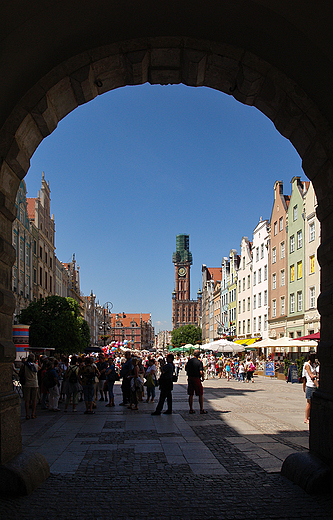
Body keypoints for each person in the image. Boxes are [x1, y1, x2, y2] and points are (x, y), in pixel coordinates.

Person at [185, 349, 207, 414]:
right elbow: (201, 372)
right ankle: (201, 409)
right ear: (199, 355)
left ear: (193, 354)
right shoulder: (199, 362)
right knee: (200, 394)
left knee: (191, 394)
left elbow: (186, 369)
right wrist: (203, 378)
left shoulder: (189, 361)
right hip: (196, 378)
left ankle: (191, 409)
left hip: (190, 378)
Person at [20, 353, 39, 419]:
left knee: (27, 400)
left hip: (27, 384)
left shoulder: (24, 365)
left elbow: (21, 373)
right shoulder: (36, 366)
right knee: (34, 400)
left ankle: (27, 414)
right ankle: (33, 414)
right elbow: (39, 369)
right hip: (34, 383)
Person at [303, 353, 318, 425]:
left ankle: (311, 416)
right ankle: (306, 418)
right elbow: (311, 376)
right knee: (309, 403)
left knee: (314, 403)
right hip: (310, 386)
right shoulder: (307, 365)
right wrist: (317, 385)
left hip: (313, 386)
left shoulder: (312, 365)